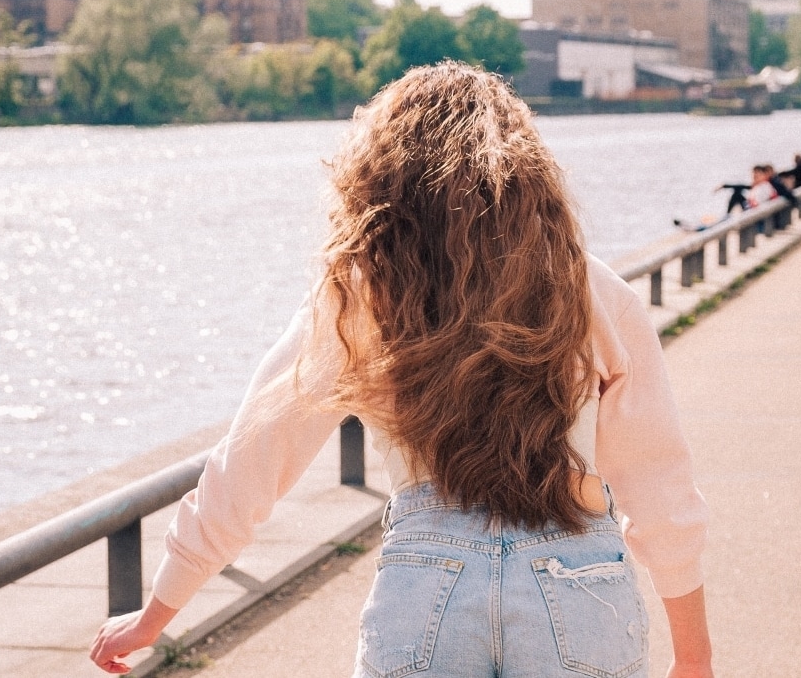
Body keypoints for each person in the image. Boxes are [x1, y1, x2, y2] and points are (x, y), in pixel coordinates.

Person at [88, 63, 716, 677]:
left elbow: (252, 460)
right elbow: (660, 483)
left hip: (428, 587)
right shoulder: (591, 291)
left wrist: (157, 612)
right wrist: (694, 655)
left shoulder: (359, 298)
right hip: (581, 589)